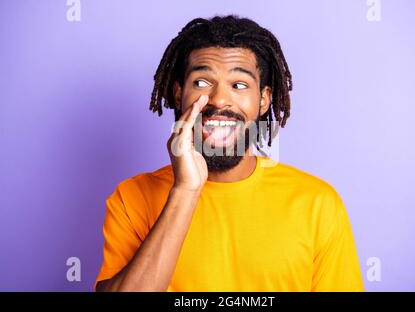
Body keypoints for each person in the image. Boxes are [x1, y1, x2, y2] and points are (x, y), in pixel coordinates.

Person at [94, 15, 364, 292]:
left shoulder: (317, 204)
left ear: (263, 100)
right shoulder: (131, 198)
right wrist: (185, 190)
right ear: (178, 94)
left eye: (239, 85)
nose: (219, 99)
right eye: (201, 83)